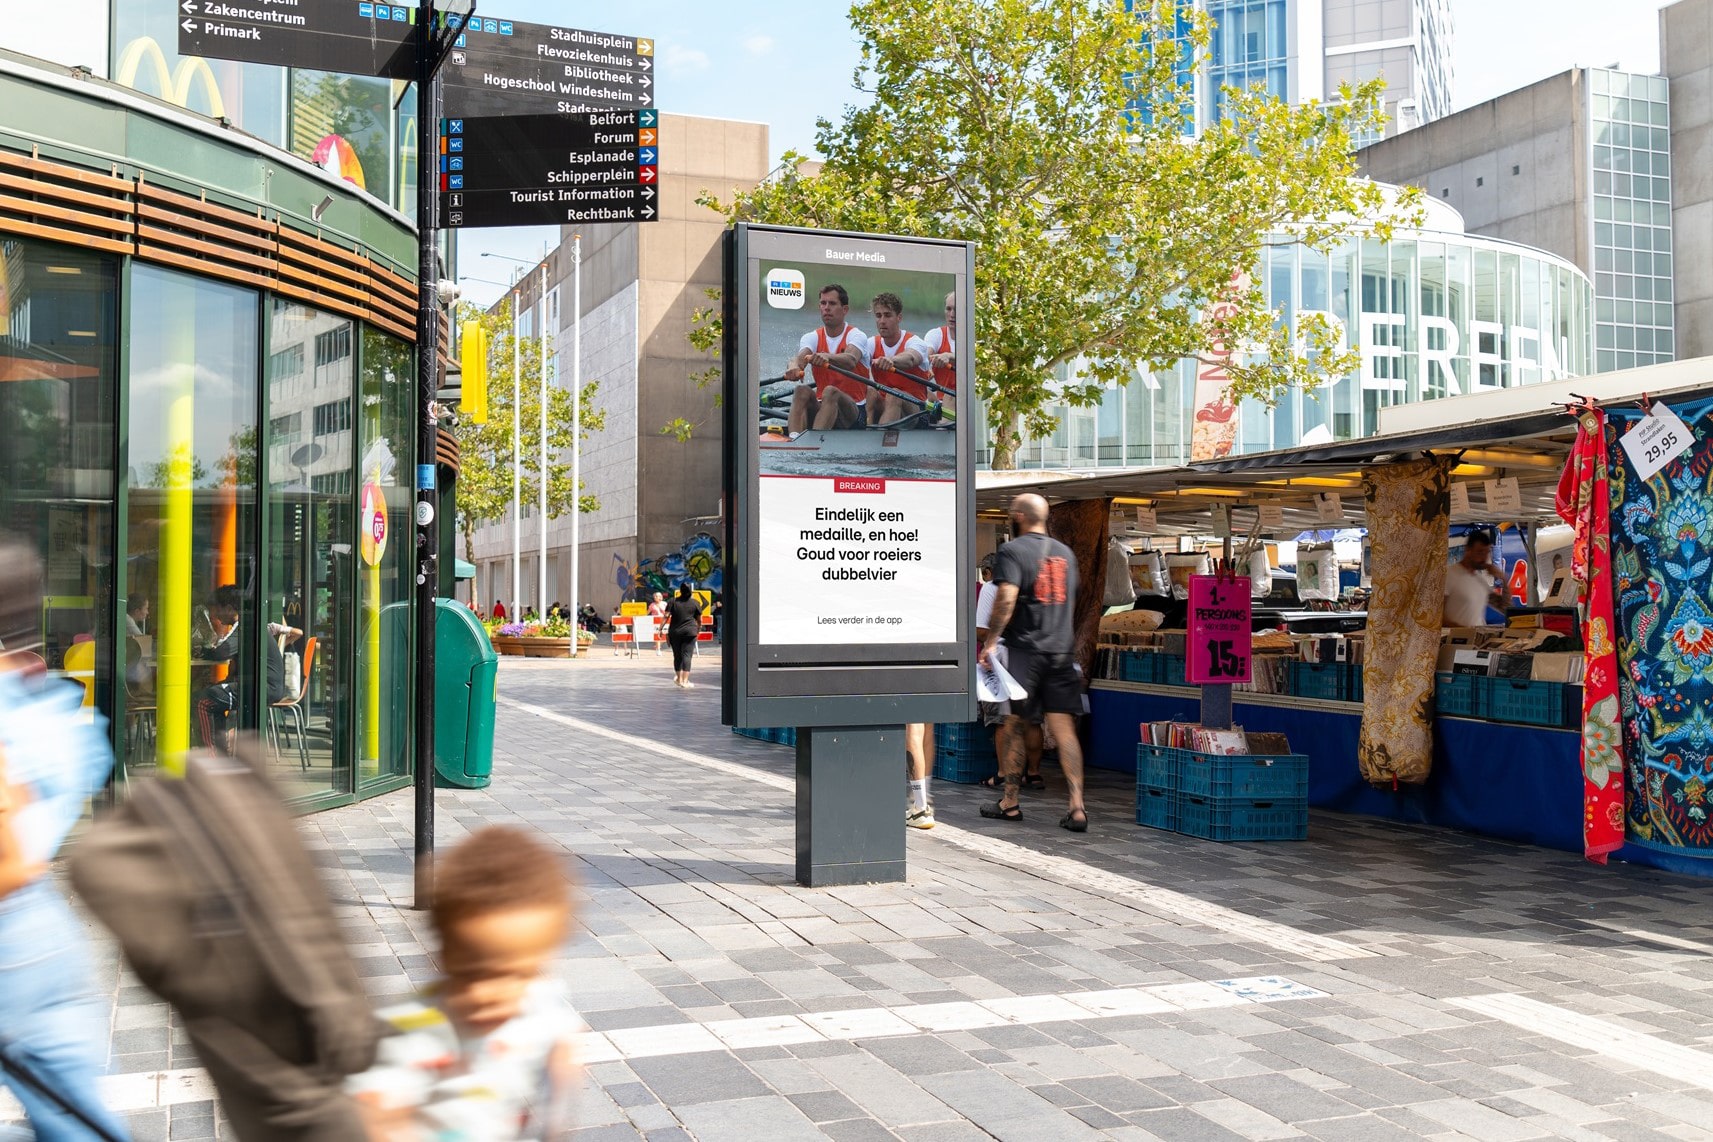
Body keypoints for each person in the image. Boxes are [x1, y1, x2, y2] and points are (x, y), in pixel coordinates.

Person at [0, 538, 134, 1140]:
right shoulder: (44, 706)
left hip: (9, 941)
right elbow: (90, 749)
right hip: (49, 938)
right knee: (77, 1121)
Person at [348, 826, 576, 1139]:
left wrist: (561, 1054)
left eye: (519, 974)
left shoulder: (536, 998)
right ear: (443, 958)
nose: (490, 994)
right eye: (470, 975)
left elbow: (556, 1020)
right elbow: (376, 1102)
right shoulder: (415, 1027)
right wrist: (381, 1118)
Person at [979, 493, 1087, 831]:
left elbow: (1007, 598)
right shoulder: (1066, 553)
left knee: (1013, 725)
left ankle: (1009, 801)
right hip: (1061, 651)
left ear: (1019, 517)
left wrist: (992, 640)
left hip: (1027, 651)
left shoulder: (1012, 551)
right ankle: (1077, 807)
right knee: (1064, 728)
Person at [195, 585, 301, 755]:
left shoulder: (244, 625)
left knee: (204, 701)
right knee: (212, 697)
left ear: (229, 608)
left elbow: (222, 652)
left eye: (216, 610)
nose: (214, 616)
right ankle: (221, 755)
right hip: (262, 686)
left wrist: (204, 650)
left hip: (262, 687)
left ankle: (211, 759)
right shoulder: (251, 622)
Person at [784, 284, 870, 434]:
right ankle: (794, 442)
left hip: (854, 413)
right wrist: (793, 367)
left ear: (845, 310)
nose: (826, 308)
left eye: (832, 303)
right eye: (823, 303)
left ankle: (816, 445)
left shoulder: (856, 336)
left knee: (831, 392)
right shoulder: (812, 337)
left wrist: (827, 357)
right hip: (822, 407)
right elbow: (800, 358)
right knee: (801, 390)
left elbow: (850, 360)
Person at [866, 292, 934, 427]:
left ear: (899, 317)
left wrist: (891, 360)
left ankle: (877, 443)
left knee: (895, 394)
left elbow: (910, 358)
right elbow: (855, 359)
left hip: (917, 411)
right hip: (885, 406)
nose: (882, 321)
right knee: (869, 391)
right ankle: (865, 434)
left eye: (887, 315)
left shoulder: (915, 342)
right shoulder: (871, 343)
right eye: (878, 316)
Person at [1444, 527, 1507, 627]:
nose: (1484, 558)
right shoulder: (1449, 575)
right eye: (1480, 552)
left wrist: (1504, 579)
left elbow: (1505, 608)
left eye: (1487, 552)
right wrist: (1465, 632)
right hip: (1457, 640)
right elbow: (1437, 616)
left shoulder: (1479, 580)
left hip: (1475, 638)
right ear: (1468, 550)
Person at [666, 585, 705, 689]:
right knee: (687, 655)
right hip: (690, 632)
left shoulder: (672, 601)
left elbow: (666, 616)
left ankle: (679, 679)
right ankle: (685, 681)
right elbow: (699, 619)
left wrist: (660, 629)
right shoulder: (695, 603)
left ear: (680, 591)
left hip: (675, 632)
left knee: (677, 655)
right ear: (691, 591)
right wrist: (699, 628)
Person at [920, 290, 957, 397]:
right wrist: (926, 365)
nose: (952, 315)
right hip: (943, 400)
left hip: (967, 401)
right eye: (948, 309)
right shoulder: (936, 334)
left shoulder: (974, 338)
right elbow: (926, 354)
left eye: (956, 309)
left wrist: (949, 356)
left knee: (950, 396)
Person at [647, 591, 668, 656]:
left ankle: (658, 646)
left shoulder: (664, 604)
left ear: (660, 597)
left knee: (667, 636)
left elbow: (668, 612)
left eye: (657, 596)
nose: (655, 597)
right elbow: (647, 613)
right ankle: (658, 650)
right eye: (655, 596)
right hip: (655, 623)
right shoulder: (652, 605)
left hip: (664, 622)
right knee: (657, 635)